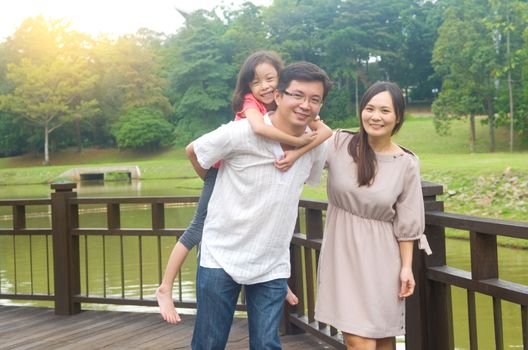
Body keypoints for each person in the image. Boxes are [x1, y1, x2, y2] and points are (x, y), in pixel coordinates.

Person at [155, 51, 332, 325]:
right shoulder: (251, 110)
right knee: (195, 230)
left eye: (270, 78)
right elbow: (257, 132)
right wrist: (210, 179)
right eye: (256, 82)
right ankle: (165, 287)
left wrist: (297, 152)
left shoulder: (300, 110)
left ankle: (275, 275)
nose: (265, 86)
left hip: (270, 263)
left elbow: (326, 133)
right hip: (218, 176)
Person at [314, 82, 432, 350]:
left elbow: (407, 222)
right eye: (369, 108)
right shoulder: (339, 143)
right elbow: (303, 143)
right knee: (358, 341)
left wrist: (406, 268)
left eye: (384, 110)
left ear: (398, 117)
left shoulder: (406, 163)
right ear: (361, 111)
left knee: (382, 339)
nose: (375, 116)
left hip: (382, 258)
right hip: (342, 253)